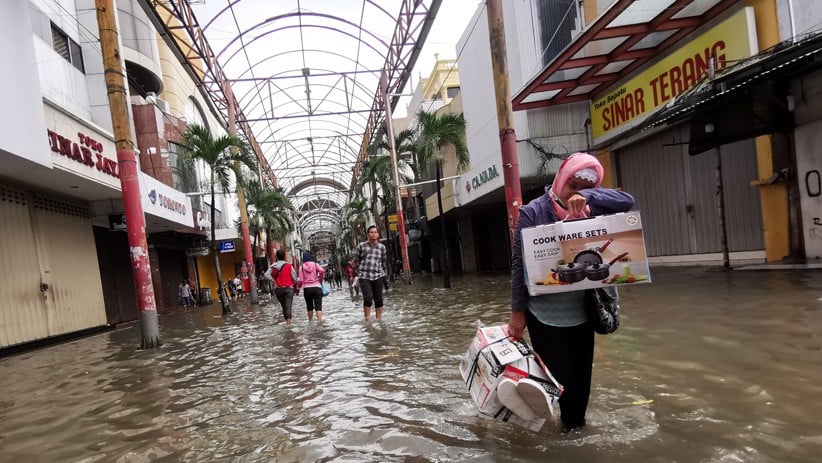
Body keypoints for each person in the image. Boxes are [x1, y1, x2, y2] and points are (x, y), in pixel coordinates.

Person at [508, 152, 635, 432]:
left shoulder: (595, 209)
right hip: (544, 313)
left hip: (583, 311)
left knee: (580, 384)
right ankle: (544, 428)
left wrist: (591, 198)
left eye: (584, 187)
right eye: (572, 186)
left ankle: (573, 434)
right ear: (561, 178)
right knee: (554, 381)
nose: (575, 193)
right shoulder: (533, 212)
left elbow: (628, 201)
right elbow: (519, 266)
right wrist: (517, 314)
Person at [354, 225, 387, 321]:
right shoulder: (361, 246)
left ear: (378, 234)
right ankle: (367, 319)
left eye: (375, 232)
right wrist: (359, 272)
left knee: (379, 299)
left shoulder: (382, 247)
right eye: (372, 232)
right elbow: (356, 261)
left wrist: (384, 274)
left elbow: (383, 262)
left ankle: (379, 320)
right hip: (364, 276)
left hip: (378, 275)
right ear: (368, 234)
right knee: (368, 298)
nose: (374, 234)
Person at [266, 249, 298, 325]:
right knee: (288, 306)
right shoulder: (289, 266)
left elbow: (266, 275)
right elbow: (295, 278)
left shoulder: (273, 266)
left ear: (276, 257)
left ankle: (287, 321)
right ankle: (289, 324)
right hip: (289, 289)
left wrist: (274, 280)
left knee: (284, 306)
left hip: (279, 289)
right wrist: (293, 284)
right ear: (284, 256)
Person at [297, 250, 325, 322]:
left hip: (307, 289)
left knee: (309, 307)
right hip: (317, 287)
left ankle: (310, 322)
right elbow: (322, 271)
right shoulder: (315, 265)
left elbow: (300, 281)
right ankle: (319, 321)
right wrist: (320, 279)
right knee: (318, 306)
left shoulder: (301, 267)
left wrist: (298, 288)